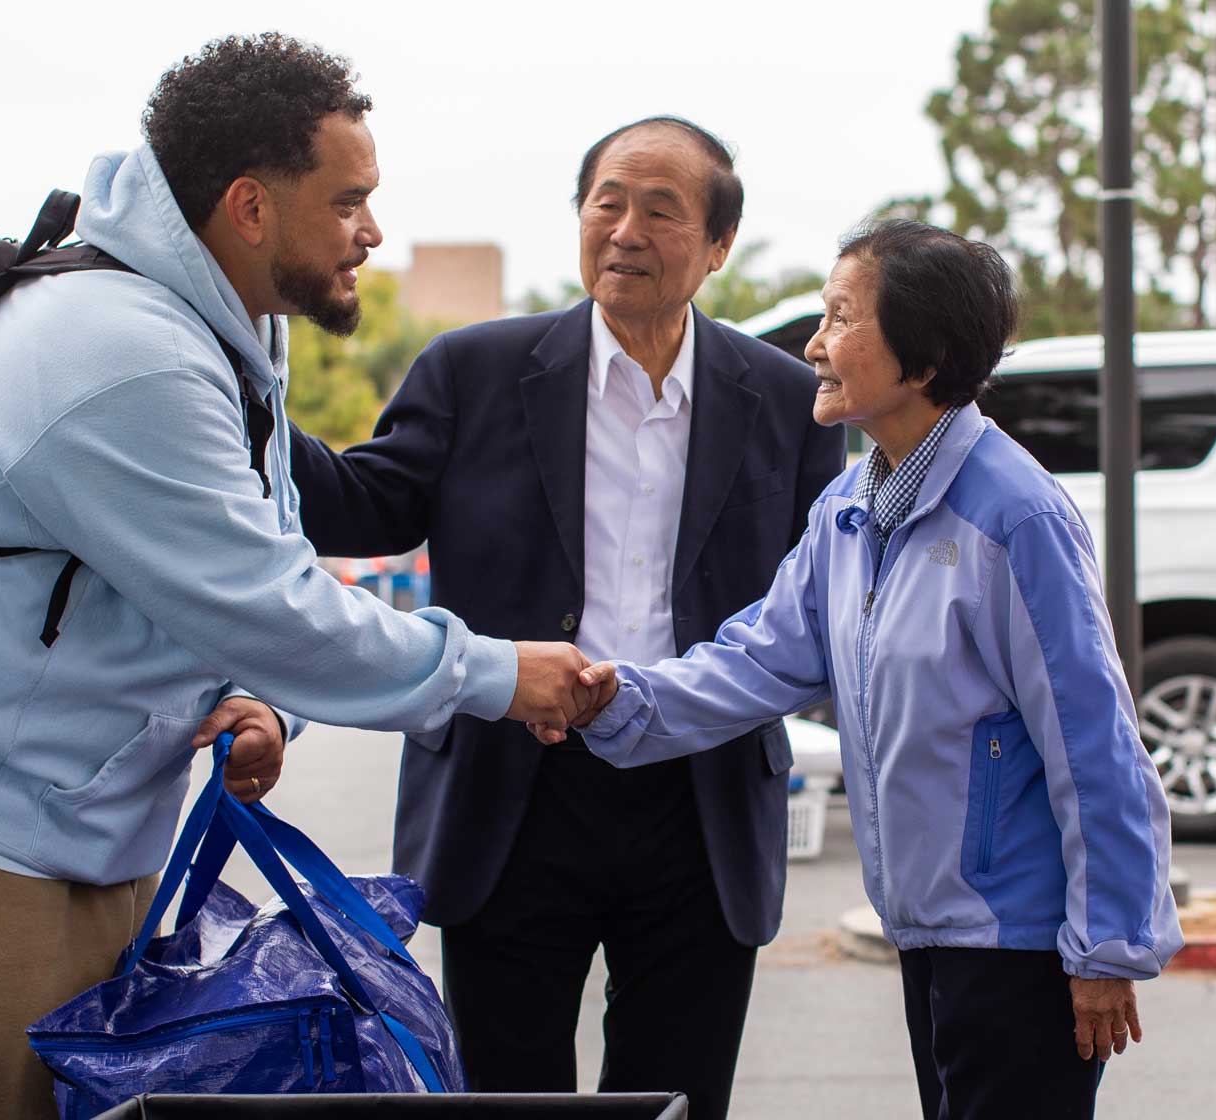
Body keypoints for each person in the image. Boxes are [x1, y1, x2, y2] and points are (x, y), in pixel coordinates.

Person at [0, 34, 593, 1120]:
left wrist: (231, 697)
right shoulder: (121, 350)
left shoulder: (223, 332)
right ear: (250, 208)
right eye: (348, 201)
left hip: (58, 825)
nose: (372, 231)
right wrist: (495, 673)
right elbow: (264, 600)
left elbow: (210, 577)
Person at [556, 219, 1183, 1120]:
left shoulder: (1015, 516)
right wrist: (612, 700)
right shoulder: (853, 505)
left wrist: (1107, 947)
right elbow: (758, 662)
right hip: (932, 930)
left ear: (923, 359)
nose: (815, 345)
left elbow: (1093, 740)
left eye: (841, 318)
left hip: (1022, 946)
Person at [288, 116, 845, 1119]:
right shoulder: (476, 370)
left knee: (676, 1098)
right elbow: (361, 502)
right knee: (507, 1100)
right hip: (515, 789)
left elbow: (820, 600)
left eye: (661, 210)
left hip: (702, 798)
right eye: (607, 203)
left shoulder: (784, 398)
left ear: (717, 246)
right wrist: (236, 394)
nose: (625, 229)